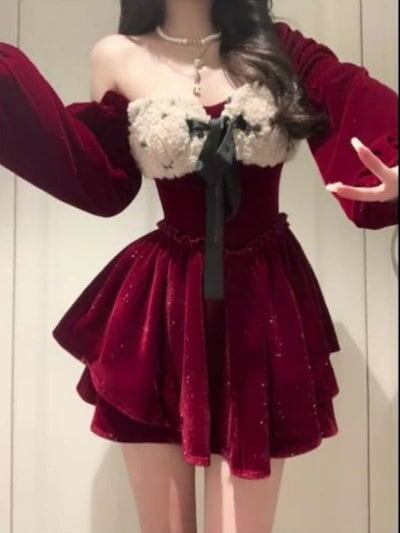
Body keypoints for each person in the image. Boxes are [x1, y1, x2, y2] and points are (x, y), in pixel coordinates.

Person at [0, 1, 398, 532]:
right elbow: (99, 178)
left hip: (261, 305)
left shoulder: (277, 47)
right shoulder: (117, 56)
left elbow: (354, 100)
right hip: (160, 311)